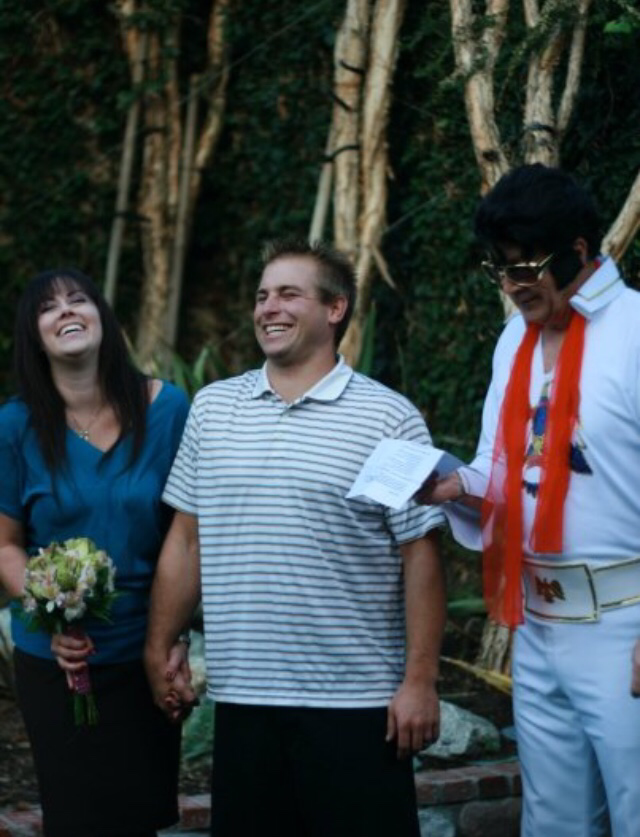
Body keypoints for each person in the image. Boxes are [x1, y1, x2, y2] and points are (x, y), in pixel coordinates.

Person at [145, 239, 446, 837]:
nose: (268, 308)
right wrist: (161, 644)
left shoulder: (389, 418)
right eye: (262, 296)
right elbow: (186, 540)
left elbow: (421, 556)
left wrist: (420, 681)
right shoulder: (213, 409)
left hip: (357, 704)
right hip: (243, 699)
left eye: (288, 294)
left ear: (335, 309)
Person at [417, 164, 640, 837]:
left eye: (526, 267)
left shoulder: (634, 330)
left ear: (579, 250)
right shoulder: (514, 337)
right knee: (553, 822)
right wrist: (454, 486)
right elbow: (503, 467)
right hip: (537, 622)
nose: (512, 286)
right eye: (500, 269)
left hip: (625, 622)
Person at [0, 268, 190, 837]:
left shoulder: (167, 409)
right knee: (78, 819)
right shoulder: (13, 425)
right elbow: (5, 545)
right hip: (56, 661)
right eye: (49, 307)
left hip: (145, 652)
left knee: (139, 816)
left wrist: (175, 639)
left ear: (102, 317)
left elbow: (186, 536)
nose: (66, 311)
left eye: (78, 300)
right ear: (35, 336)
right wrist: (49, 613)